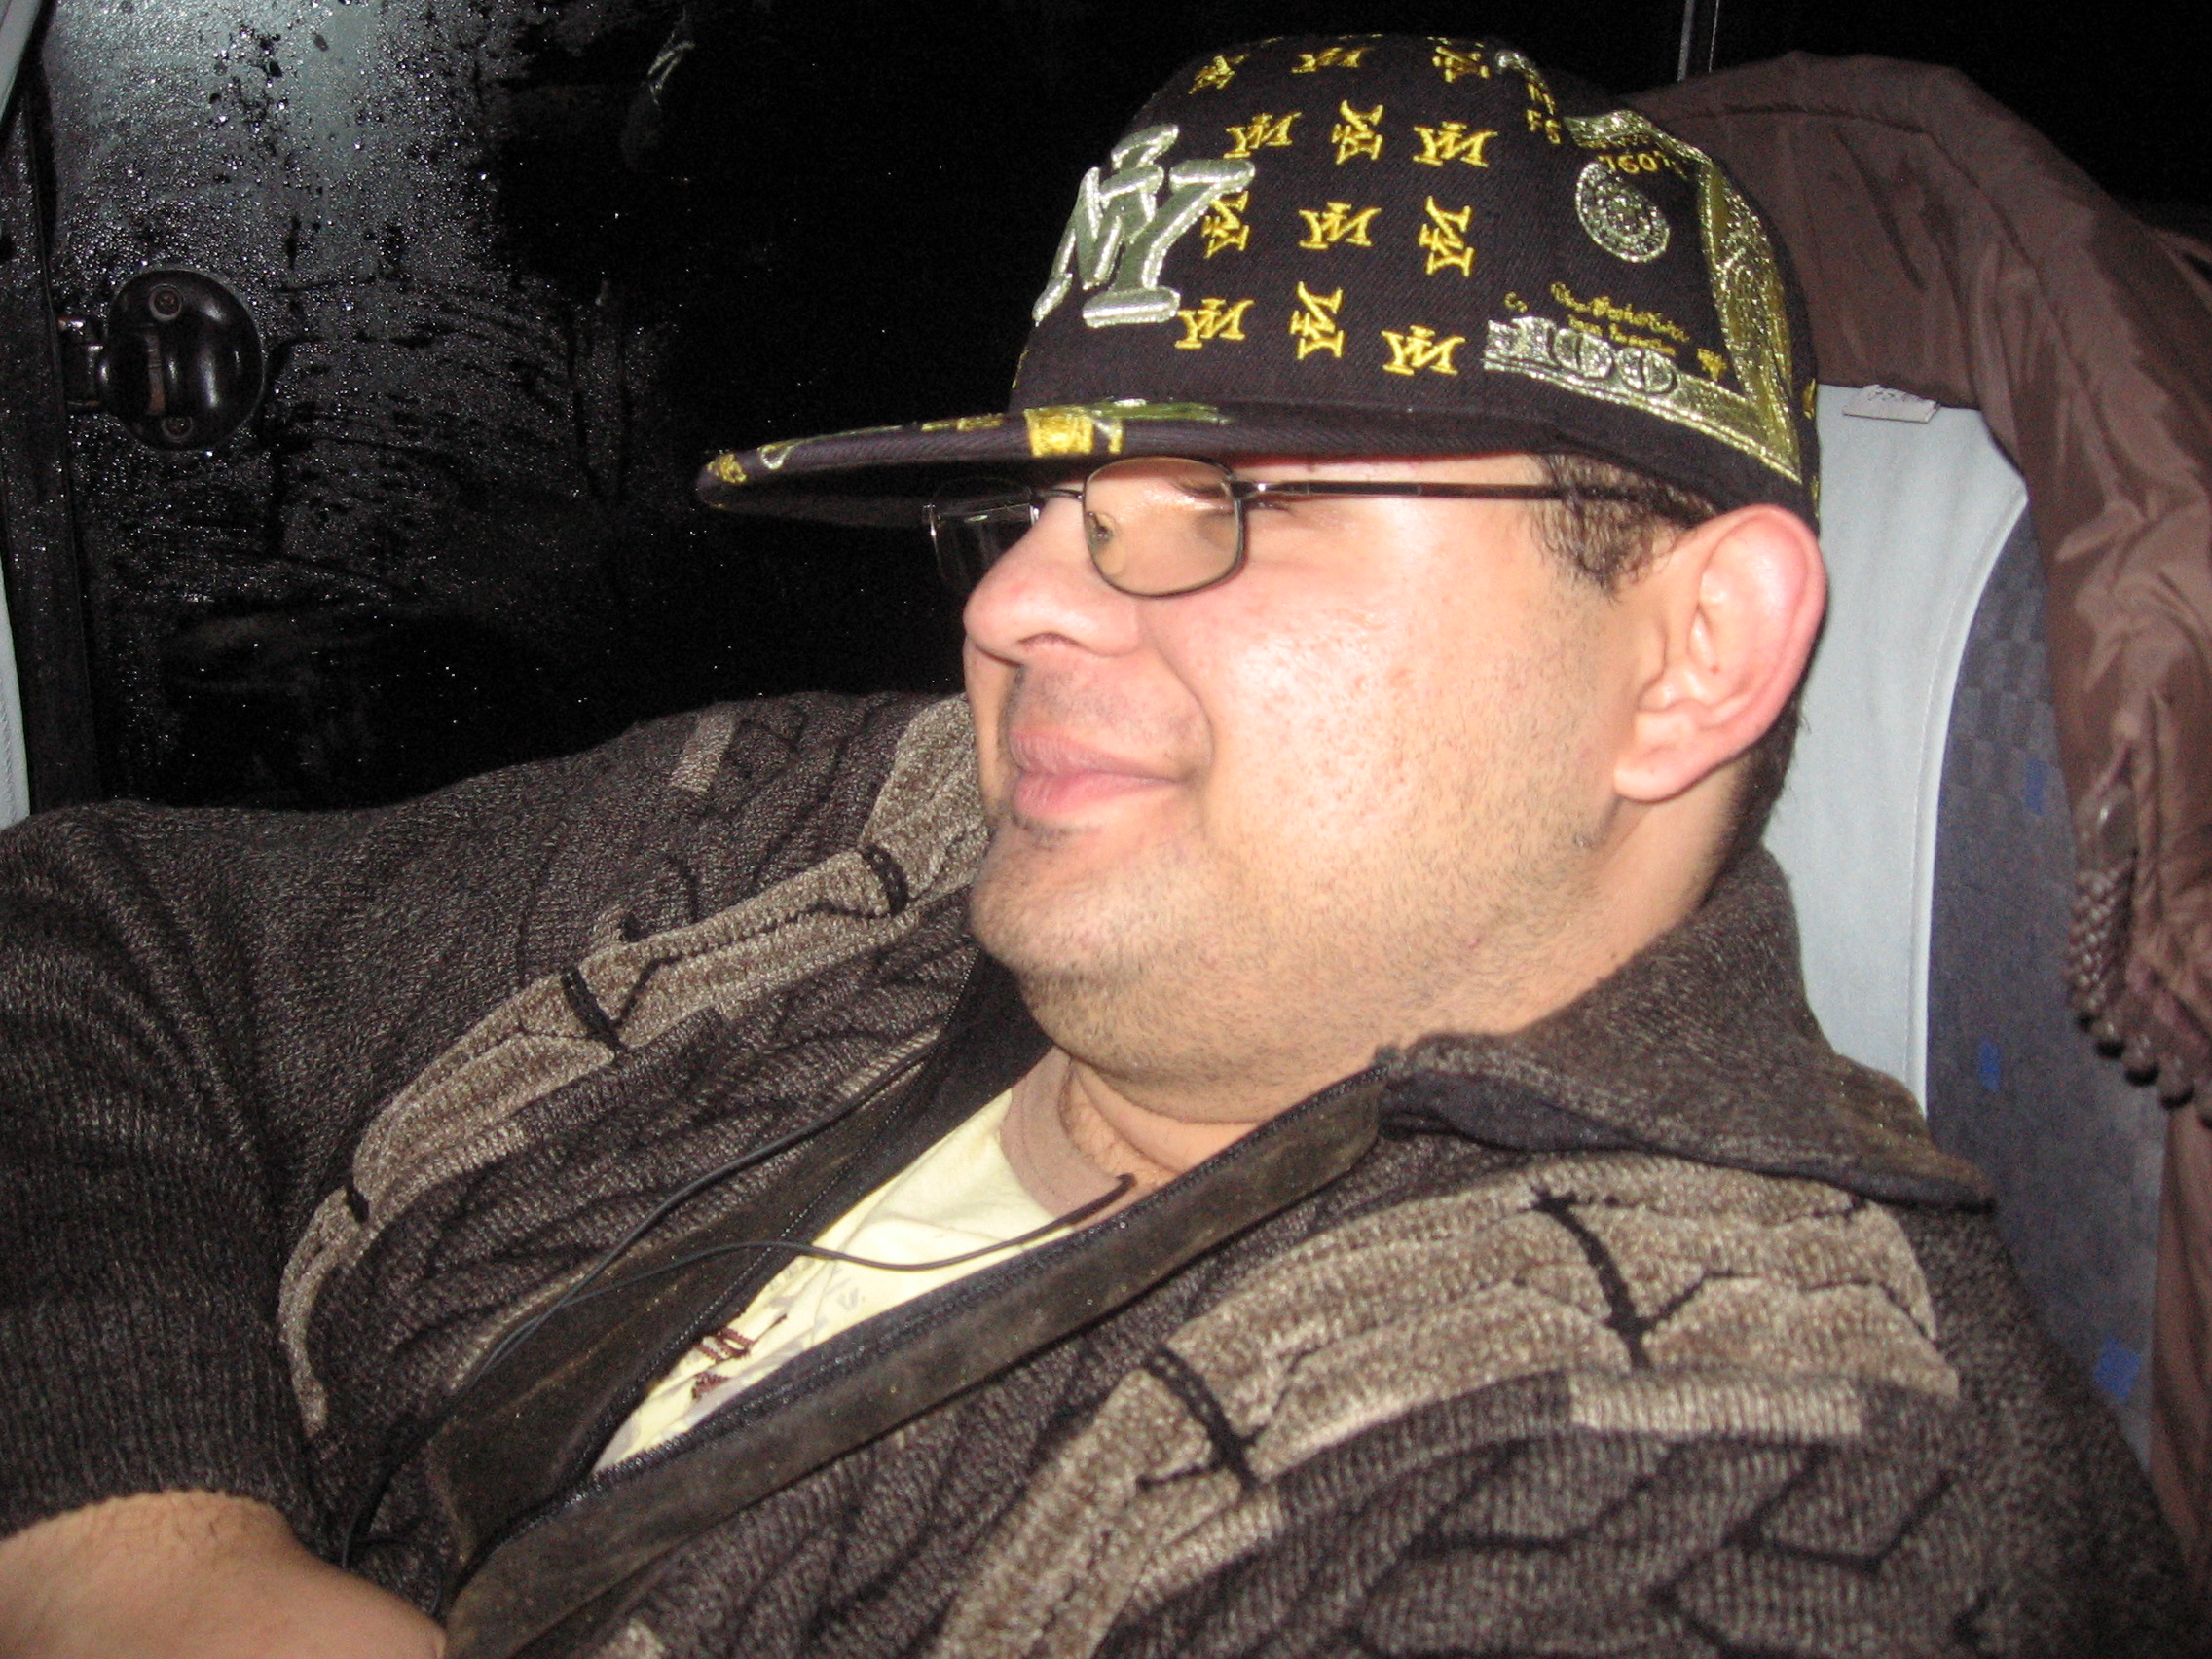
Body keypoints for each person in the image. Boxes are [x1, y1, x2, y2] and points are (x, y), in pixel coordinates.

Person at [0, 33, 2196, 1659]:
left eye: (1227, 499)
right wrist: (139, 1556)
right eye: (1046, 501)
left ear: (1690, 654)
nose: (1016, 606)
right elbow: (99, 928)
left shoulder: (1758, 1485)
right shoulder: (877, 827)